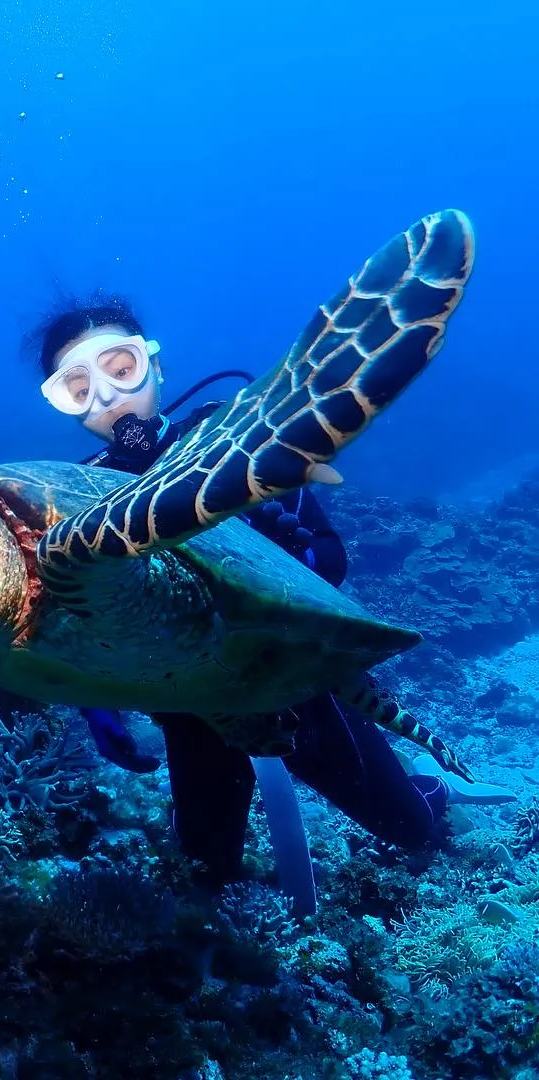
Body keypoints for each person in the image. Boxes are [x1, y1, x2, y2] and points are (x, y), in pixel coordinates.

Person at [30, 294, 512, 885]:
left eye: (121, 368)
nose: (107, 397)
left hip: (292, 672)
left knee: (410, 828)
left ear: (157, 366)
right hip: (192, 702)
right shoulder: (80, 499)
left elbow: (330, 558)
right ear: (66, 407)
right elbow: (75, 614)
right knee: (206, 870)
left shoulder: (233, 447)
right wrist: (94, 700)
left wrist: (290, 557)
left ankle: (429, 787)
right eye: (78, 389)